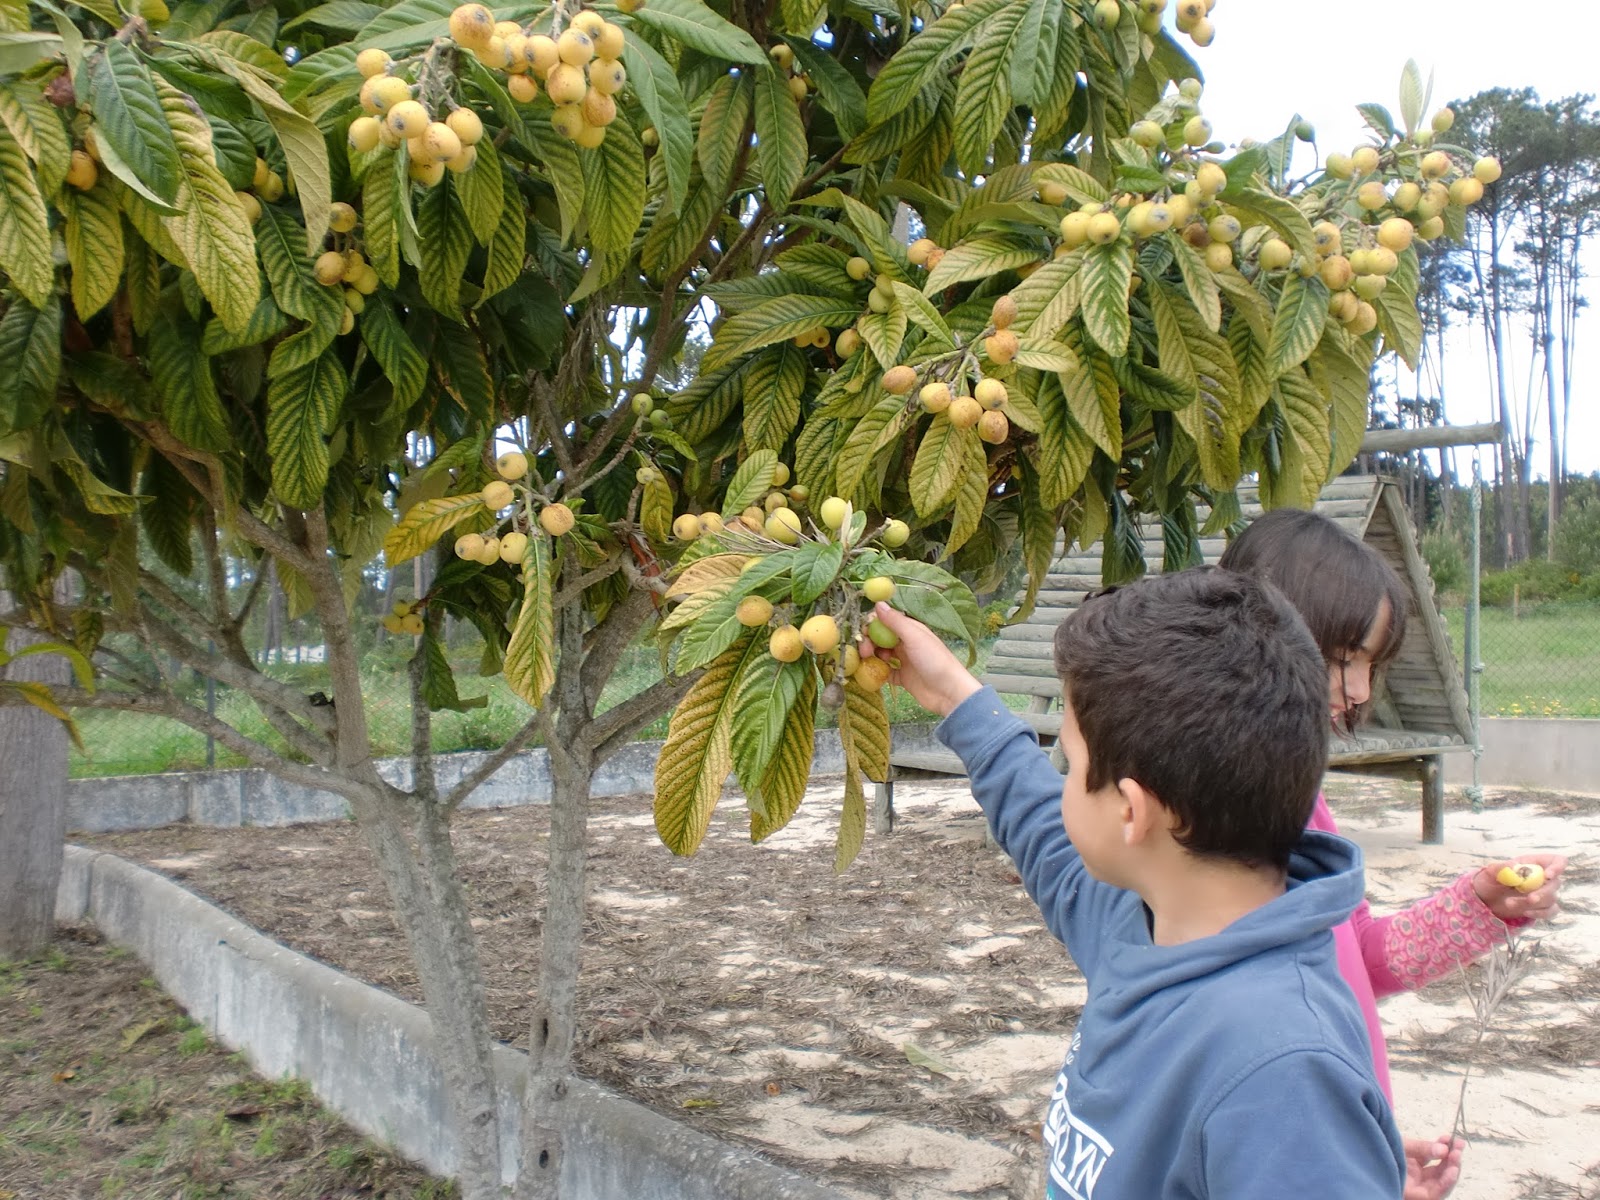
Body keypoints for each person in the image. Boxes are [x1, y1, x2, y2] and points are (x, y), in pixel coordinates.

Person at [864, 569, 1406, 1199]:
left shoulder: (1283, 1075)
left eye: (1070, 762)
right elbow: (1047, 841)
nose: (1061, 783)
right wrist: (955, 697)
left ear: (1131, 811)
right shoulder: (1148, 923)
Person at [1216, 507, 1567, 1197]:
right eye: (1343, 657)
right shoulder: (1218, 836)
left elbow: (1358, 960)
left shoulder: (1305, 803)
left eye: (1370, 665)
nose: (1359, 692)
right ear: (1261, 637)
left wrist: (1479, 906)